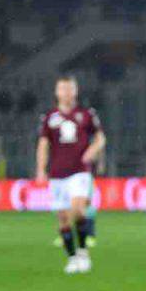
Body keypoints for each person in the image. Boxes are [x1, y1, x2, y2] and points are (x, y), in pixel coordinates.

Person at [36, 76, 105, 274]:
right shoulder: (49, 118)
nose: (66, 93)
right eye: (62, 89)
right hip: (57, 174)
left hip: (79, 171)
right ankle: (72, 257)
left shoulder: (86, 114)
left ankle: (83, 252)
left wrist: (94, 149)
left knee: (78, 210)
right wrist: (41, 169)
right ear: (57, 92)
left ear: (75, 91)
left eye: (69, 89)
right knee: (63, 218)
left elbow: (100, 137)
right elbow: (43, 144)